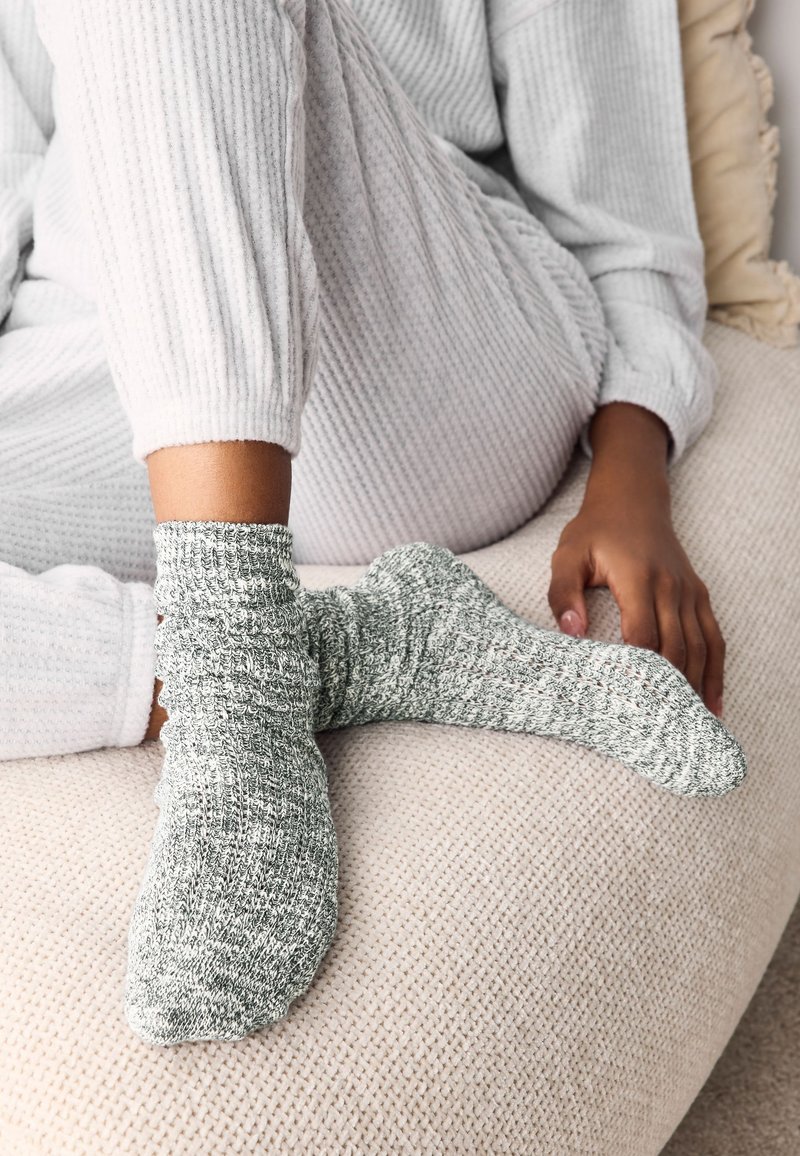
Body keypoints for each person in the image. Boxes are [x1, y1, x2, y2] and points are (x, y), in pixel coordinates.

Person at [0, 0, 740, 1047]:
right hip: (101, 336)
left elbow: (631, 242)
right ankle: (302, 651)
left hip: (411, 341)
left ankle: (237, 669)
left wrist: (632, 469)